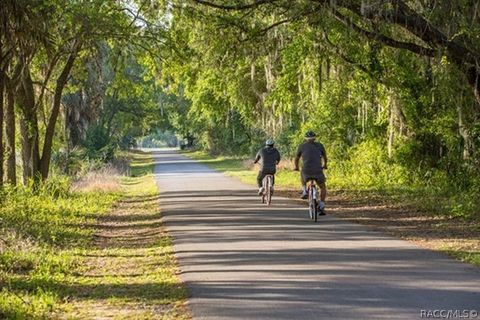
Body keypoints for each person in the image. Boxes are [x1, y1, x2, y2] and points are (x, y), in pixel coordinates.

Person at [294, 130, 328, 212]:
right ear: (314, 138)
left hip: (306, 170)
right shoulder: (320, 145)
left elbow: (297, 158)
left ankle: (304, 190)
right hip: (318, 170)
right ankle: (322, 203)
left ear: (305, 138)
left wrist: (296, 167)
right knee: (322, 187)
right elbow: (325, 157)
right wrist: (325, 165)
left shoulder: (302, 146)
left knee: (302, 174)